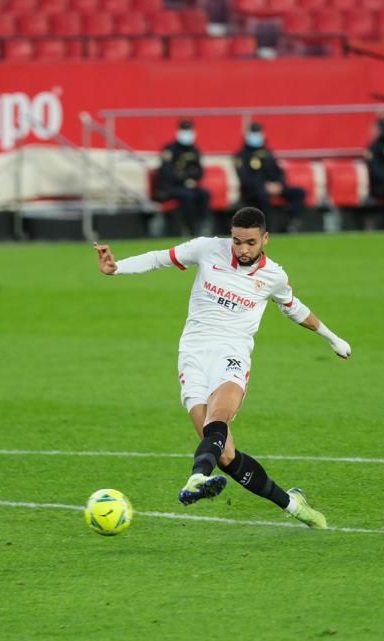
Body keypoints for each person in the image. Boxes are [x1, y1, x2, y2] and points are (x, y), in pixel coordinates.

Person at [94, 206, 352, 528]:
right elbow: (161, 257)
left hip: (232, 353)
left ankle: (196, 478)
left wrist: (332, 338)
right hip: (193, 353)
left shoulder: (274, 276)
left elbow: (293, 308)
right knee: (227, 455)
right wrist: (117, 268)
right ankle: (293, 504)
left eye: (251, 243)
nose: (243, 250)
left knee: (219, 417)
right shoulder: (207, 248)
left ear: (265, 240)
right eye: (237, 241)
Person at [234, 122, 307, 233]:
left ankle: (291, 223)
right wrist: (264, 186)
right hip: (253, 191)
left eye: (258, 132)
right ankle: (265, 228)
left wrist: (279, 184)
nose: (256, 135)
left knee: (299, 192)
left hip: (273, 187)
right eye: (253, 132)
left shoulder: (268, 153)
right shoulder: (241, 155)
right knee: (262, 196)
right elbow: (245, 179)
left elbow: (279, 173)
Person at [156, 120, 210, 236]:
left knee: (204, 194)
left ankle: (202, 225)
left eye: (189, 130)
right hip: (171, 188)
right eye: (185, 130)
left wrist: (193, 179)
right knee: (188, 196)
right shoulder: (169, 149)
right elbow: (167, 173)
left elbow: (199, 172)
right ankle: (190, 228)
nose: (187, 134)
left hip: (190, 185)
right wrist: (185, 179)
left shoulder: (194, 150)